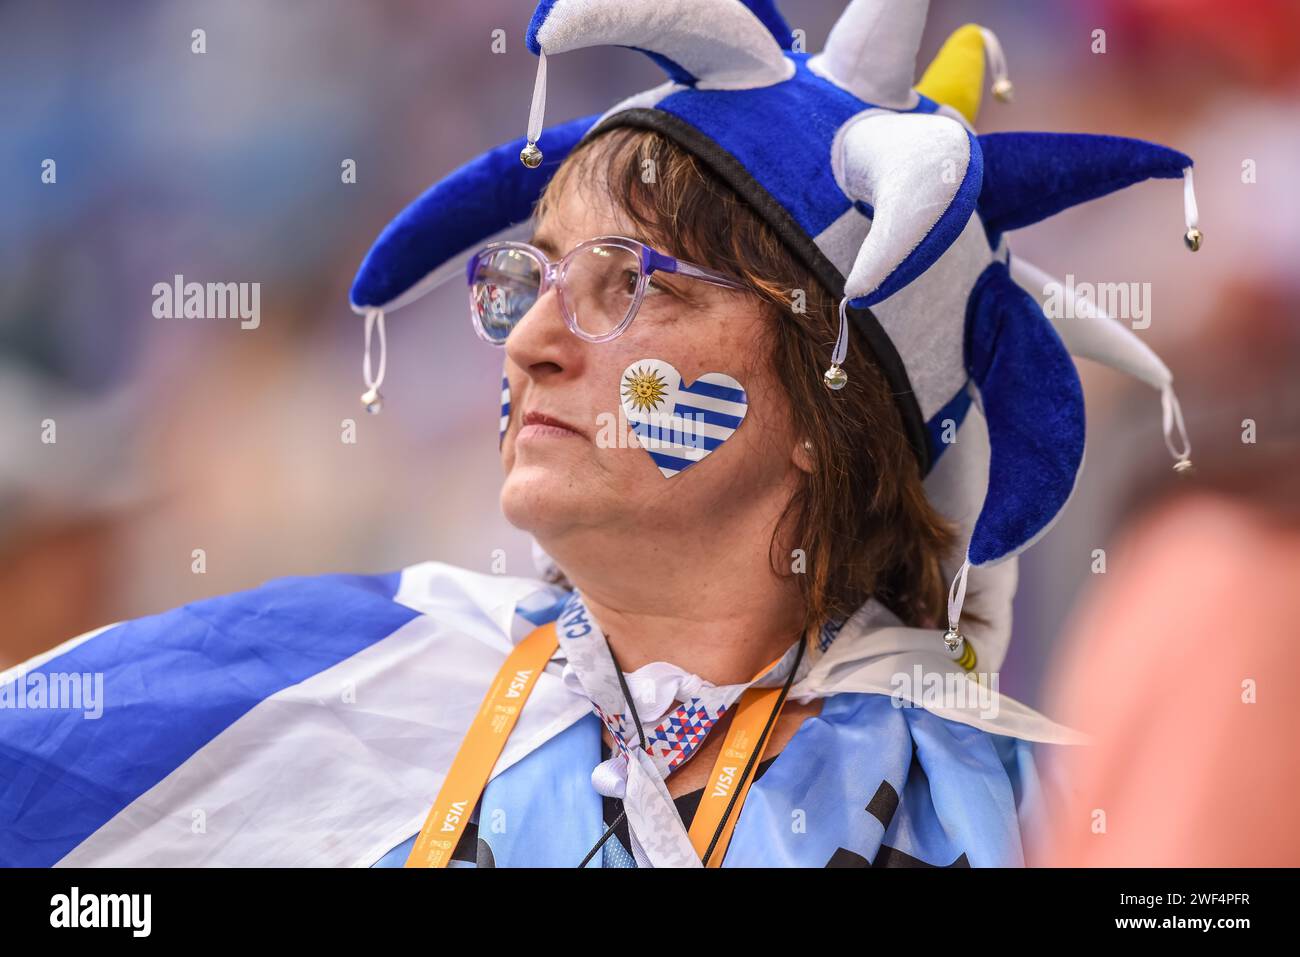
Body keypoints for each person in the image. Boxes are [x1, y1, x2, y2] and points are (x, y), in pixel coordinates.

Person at [0, 0, 1203, 868]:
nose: (530, 342)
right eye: (529, 276)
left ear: (824, 402)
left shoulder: (1030, 812)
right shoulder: (321, 676)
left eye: (633, 283)